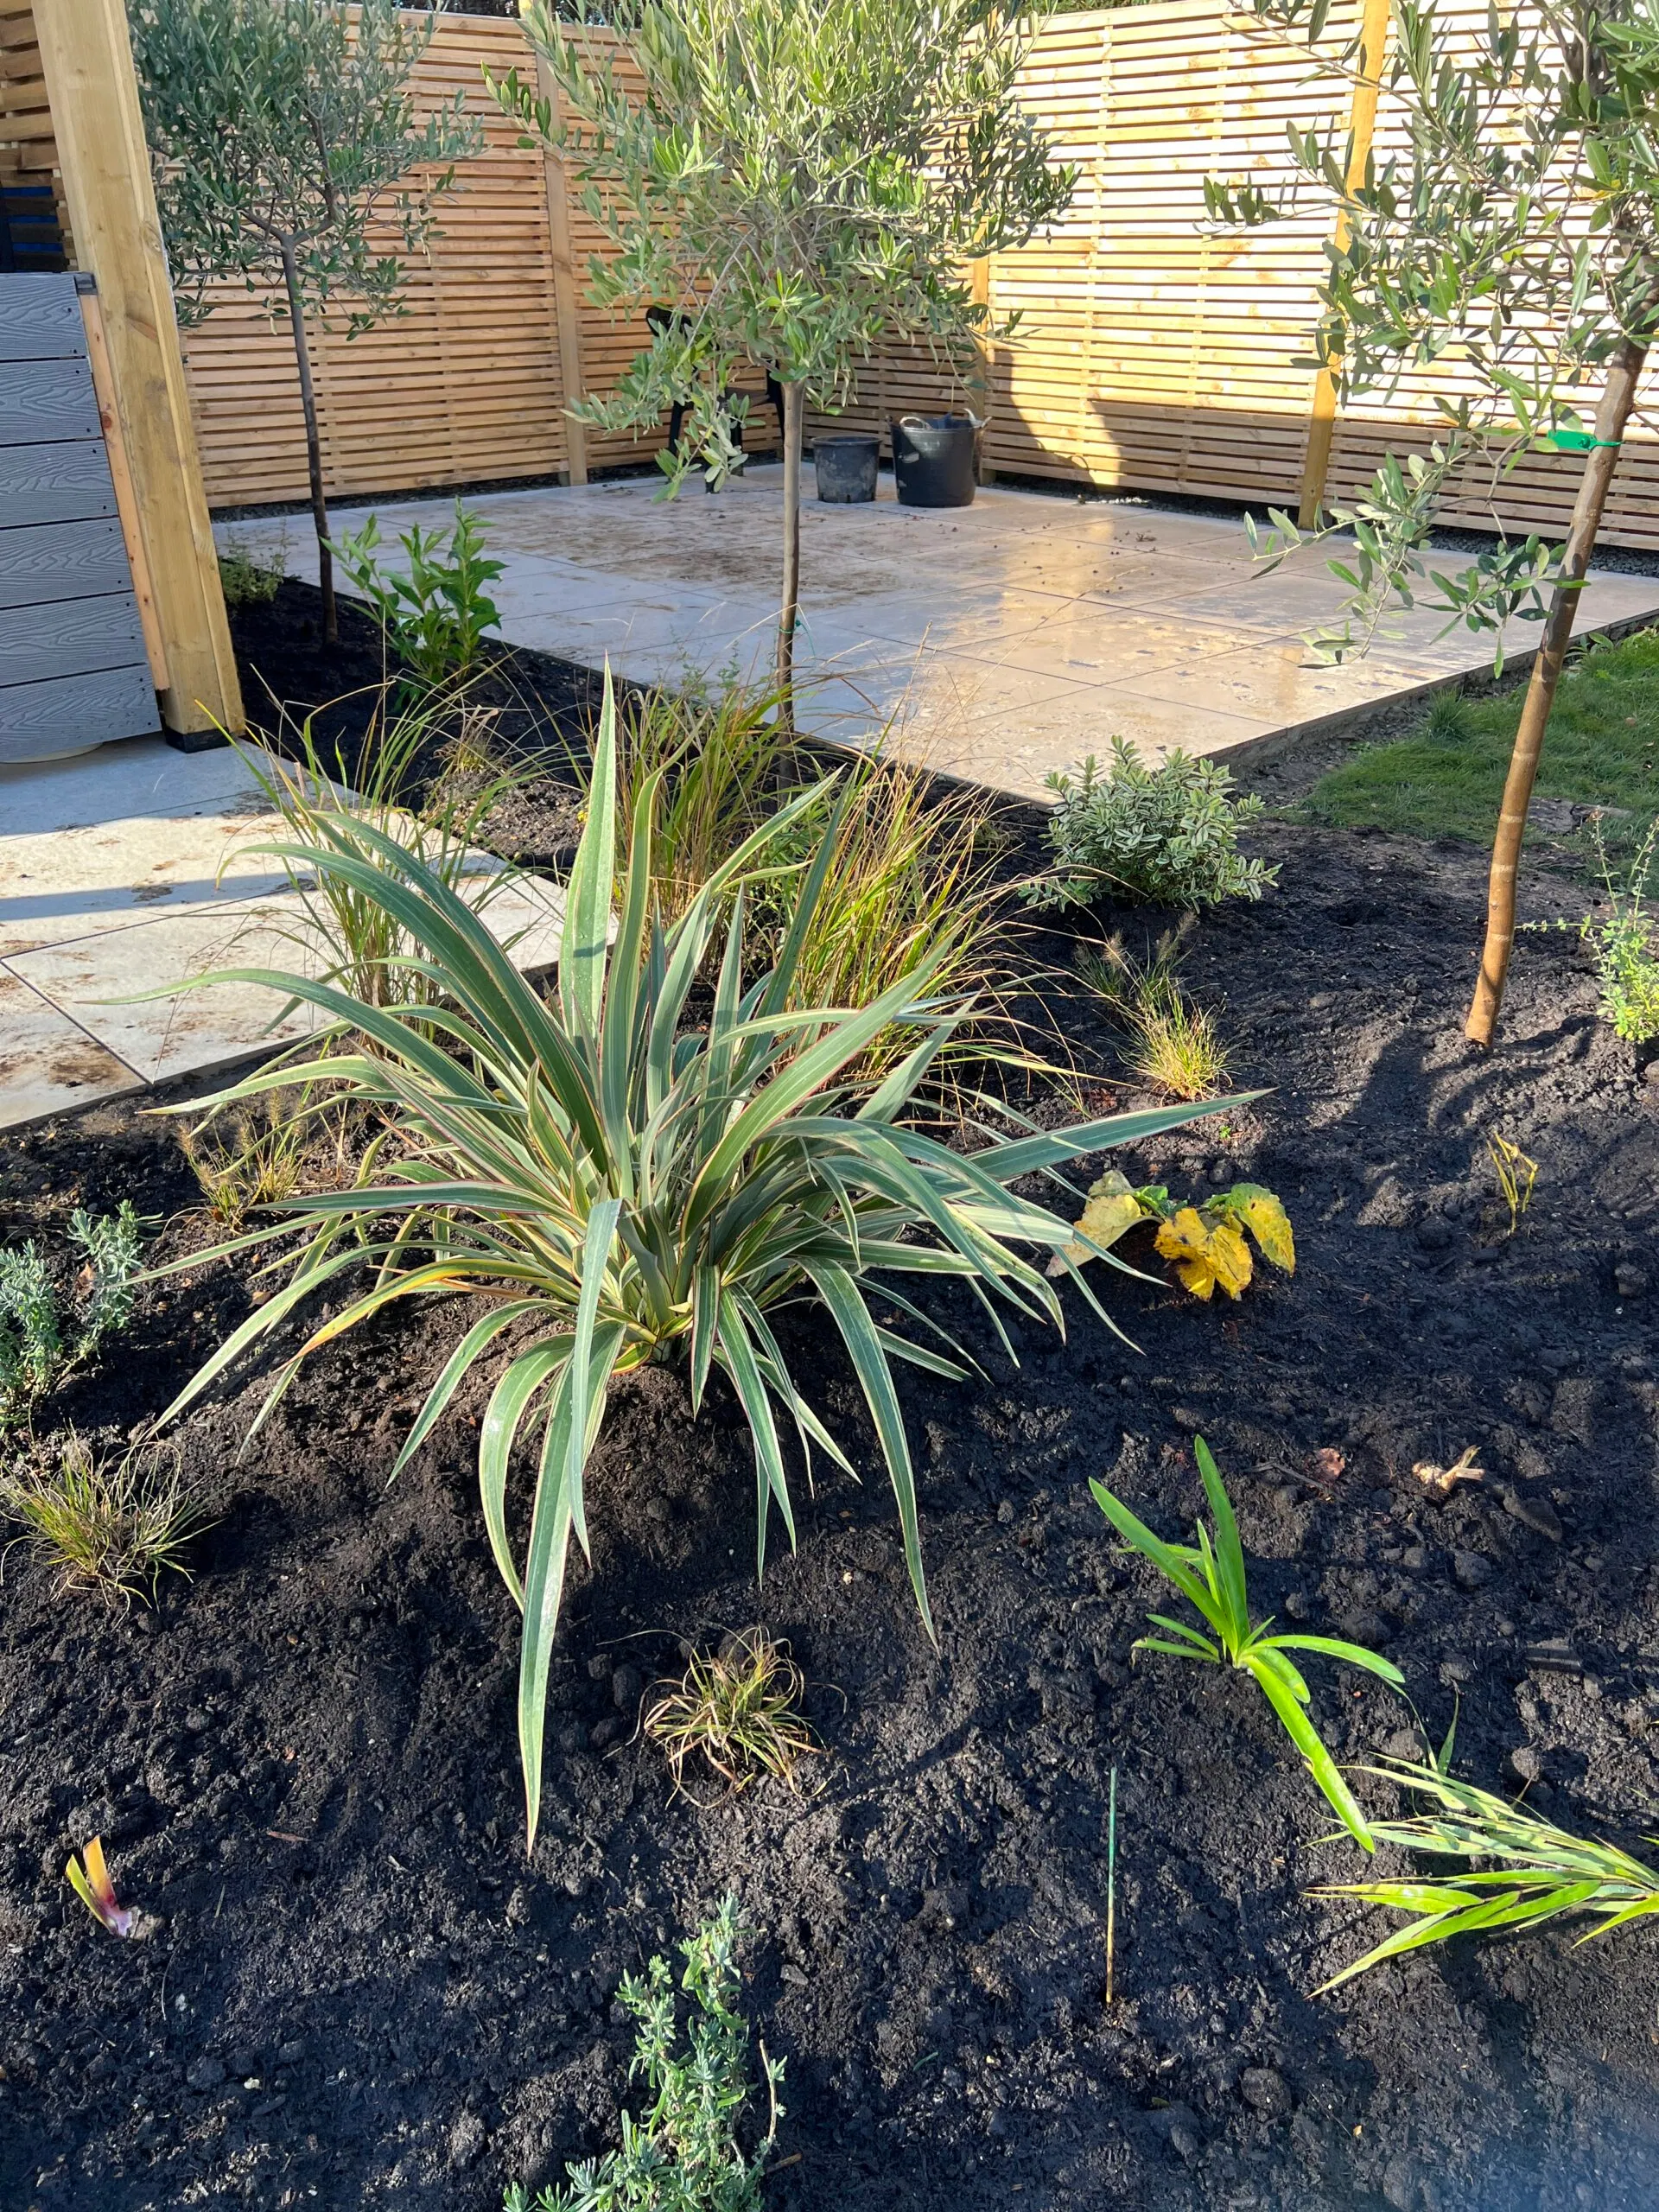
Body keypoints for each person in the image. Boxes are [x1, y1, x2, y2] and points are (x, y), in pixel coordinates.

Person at [645, 306, 785, 480]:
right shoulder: (708, 339)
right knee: (729, 402)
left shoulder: (690, 344)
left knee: (726, 399)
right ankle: (723, 469)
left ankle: (714, 472)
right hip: (712, 393)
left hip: (690, 390)